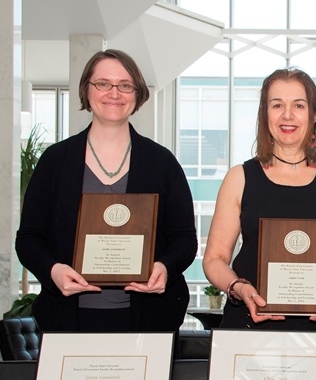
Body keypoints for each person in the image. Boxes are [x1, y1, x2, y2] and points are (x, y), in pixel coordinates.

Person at [16, 49, 198, 332]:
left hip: (149, 319)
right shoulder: (56, 161)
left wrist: (165, 267)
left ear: (137, 94)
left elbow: (185, 239)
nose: (115, 93)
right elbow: (29, 239)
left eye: (125, 85)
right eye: (103, 83)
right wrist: (54, 271)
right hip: (68, 319)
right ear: (86, 91)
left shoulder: (162, 163)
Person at [202, 68, 316, 330]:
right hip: (251, 322)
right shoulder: (239, 177)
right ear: (265, 115)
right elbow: (214, 259)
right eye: (277, 105)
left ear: (315, 116)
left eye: (299, 105)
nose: (287, 115)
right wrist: (239, 287)